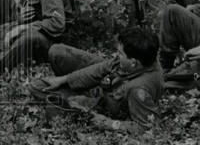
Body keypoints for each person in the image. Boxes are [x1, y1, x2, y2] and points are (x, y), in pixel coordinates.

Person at [30, 26, 163, 131]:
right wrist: (64, 79)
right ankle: (75, 91)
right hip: (106, 84)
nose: (116, 55)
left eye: (120, 54)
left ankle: (75, 99)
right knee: (57, 51)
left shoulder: (138, 90)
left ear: (133, 62)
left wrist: (108, 123)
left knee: (37, 87)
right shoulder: (143, 57)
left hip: (104, 102)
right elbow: (100, 69)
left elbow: (146, 127)